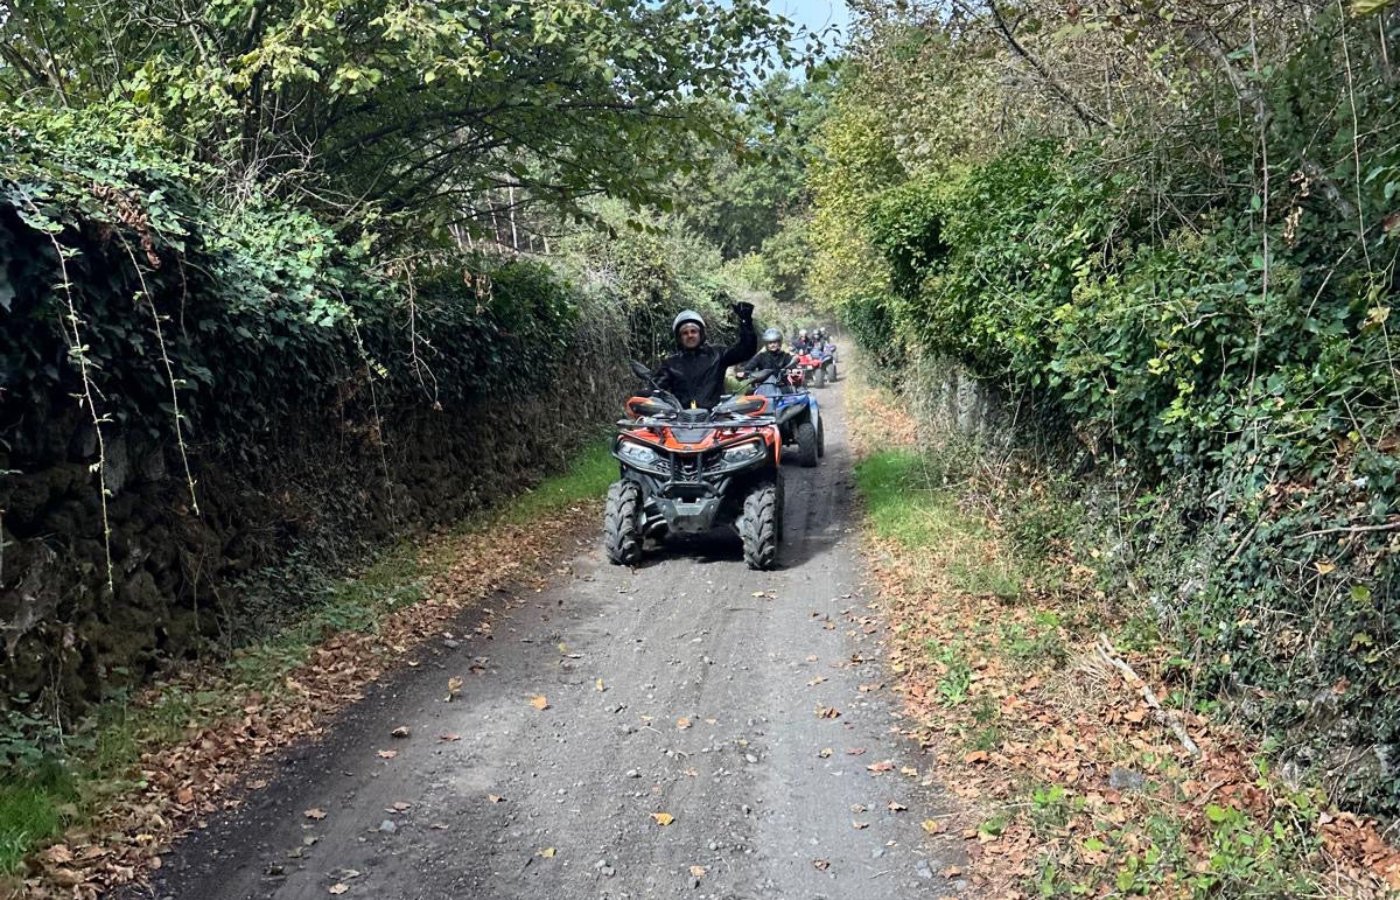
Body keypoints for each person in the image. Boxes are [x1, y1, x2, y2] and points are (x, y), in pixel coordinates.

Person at [653, 301, 757, 409]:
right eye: (685, 333)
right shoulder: (671, 364)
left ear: (701, 334)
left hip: (715, 418)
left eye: (693, 331)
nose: (690, 335)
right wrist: (646, 395)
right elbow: (656, 389)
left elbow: (746, 350)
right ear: (679, 338)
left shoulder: (718, 355)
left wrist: (746, 322)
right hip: (680, 421)